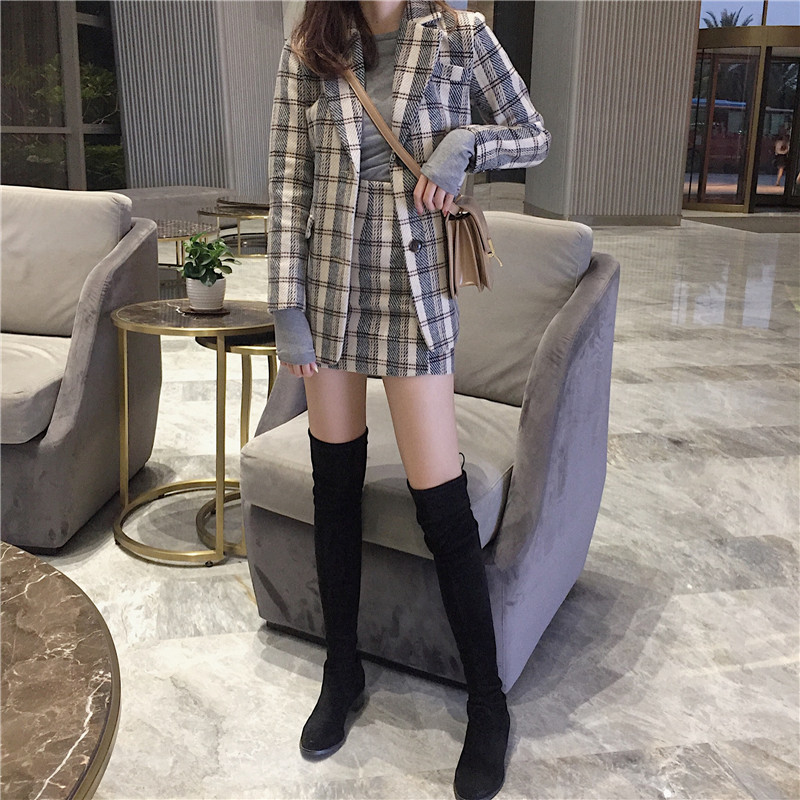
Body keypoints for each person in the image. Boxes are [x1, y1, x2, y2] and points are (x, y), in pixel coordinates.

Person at [266, 2, 550, 798]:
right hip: (328, 291)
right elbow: (288, 183)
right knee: (334, 490)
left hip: (414, 290)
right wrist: (287, 307)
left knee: (441, 503)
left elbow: (533, 133)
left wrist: (466, 147)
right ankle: (342, 670)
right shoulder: (311, 44)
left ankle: (487, 703)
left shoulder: (460, 34)